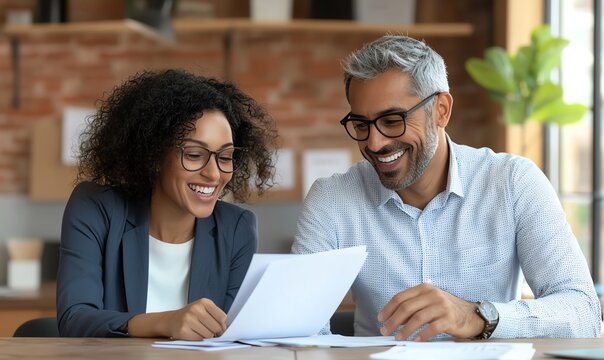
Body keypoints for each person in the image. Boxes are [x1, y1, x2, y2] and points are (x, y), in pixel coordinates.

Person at [292, 35, 601, 340]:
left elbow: (583, 312)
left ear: (441, 110)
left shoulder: (512, 182)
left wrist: (478, 316)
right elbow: (299, 328)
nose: (375, 142)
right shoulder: (332, 200)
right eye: (361, 125)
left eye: (392, 120)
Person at [57, 69, 278, 339]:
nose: (214, 173)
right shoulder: (95, 209)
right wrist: (166, 322)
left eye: (226, 156)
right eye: (195, 154)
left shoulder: (237, 229)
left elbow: (231, 335)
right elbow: (75, 318)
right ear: (153, 156)